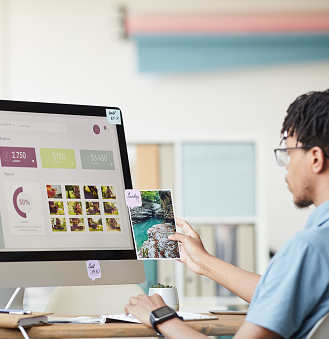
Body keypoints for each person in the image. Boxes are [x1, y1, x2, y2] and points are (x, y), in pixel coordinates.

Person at [125, 89, 329, 339]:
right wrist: (202, 261)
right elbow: (278, 292)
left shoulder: (309, 248)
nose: (286, 166)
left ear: (316, 158)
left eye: (288, 153)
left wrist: (160, 317)